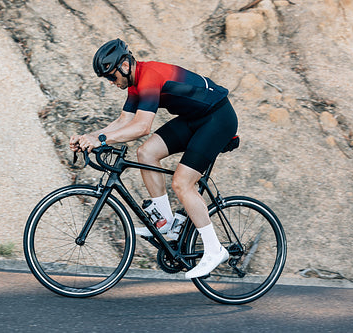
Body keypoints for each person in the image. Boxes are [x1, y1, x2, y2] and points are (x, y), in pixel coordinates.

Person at [69, 38, 238, 279]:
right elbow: (123, 122)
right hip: (195, 118)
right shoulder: (135, 85)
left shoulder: (149, 76)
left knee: (182, 183)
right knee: (146, 152)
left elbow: (142, 126)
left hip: (217, 118)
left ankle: (214, 250)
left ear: (125, 66)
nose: (110, 82)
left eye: (111, 76)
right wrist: (89, 136)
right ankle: (166, 220)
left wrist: (102, 140)